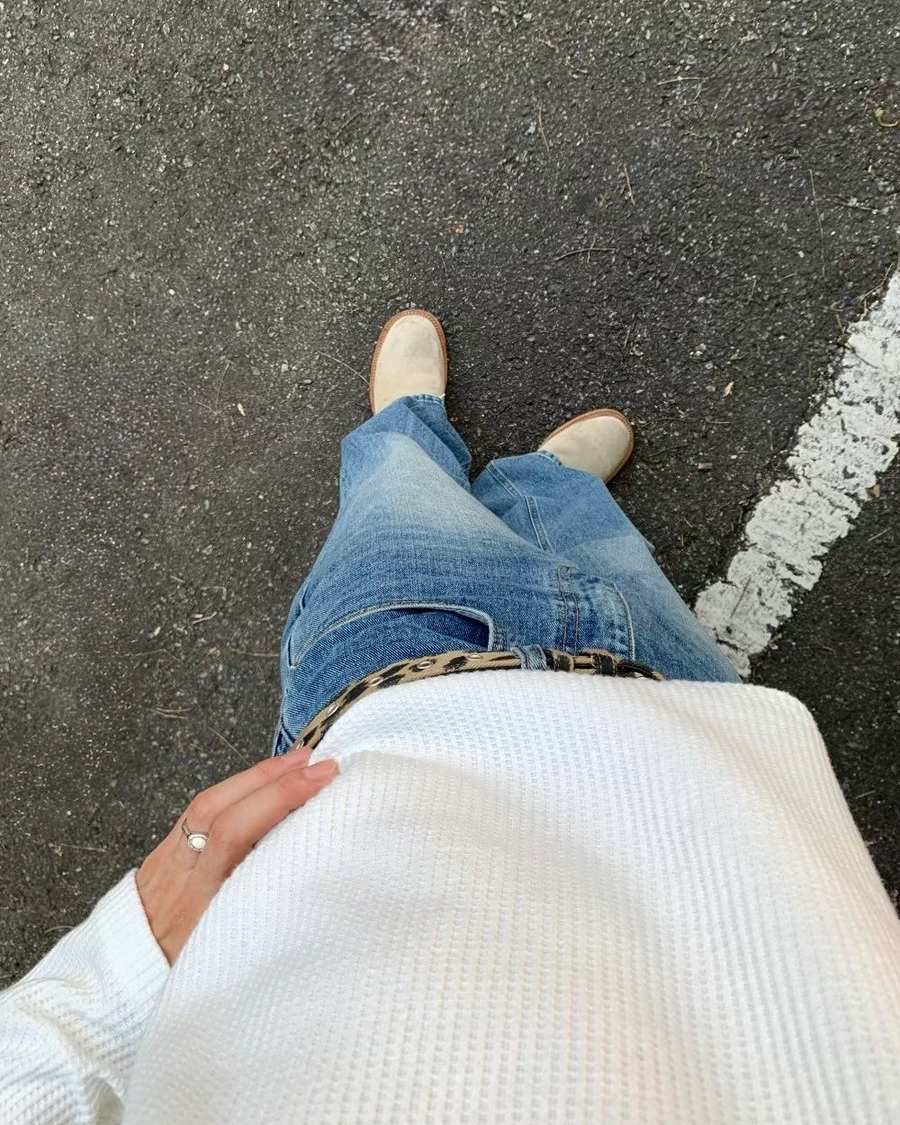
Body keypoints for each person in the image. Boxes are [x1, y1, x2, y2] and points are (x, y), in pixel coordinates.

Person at [1, 309, 899, 1124]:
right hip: (688, 744)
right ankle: (540, 488)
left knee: (392, 509)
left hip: (398, 718)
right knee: (601, 563)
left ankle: (408, 430)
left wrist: (113, 985)